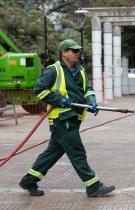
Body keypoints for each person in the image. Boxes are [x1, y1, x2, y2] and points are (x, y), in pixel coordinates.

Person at [19, 39, 115, 197]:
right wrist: (59, 100)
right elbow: (38, 90)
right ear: (64, 53)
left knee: (52, 153)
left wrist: (91, 101)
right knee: (77, 152)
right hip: (62, 119)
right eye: (73, 50)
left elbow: (88, 89)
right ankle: (93, 185)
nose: (77, 53)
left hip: (74, 118)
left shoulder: (80, 70)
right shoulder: (54, 70)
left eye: (78, 51)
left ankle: (29, 180)